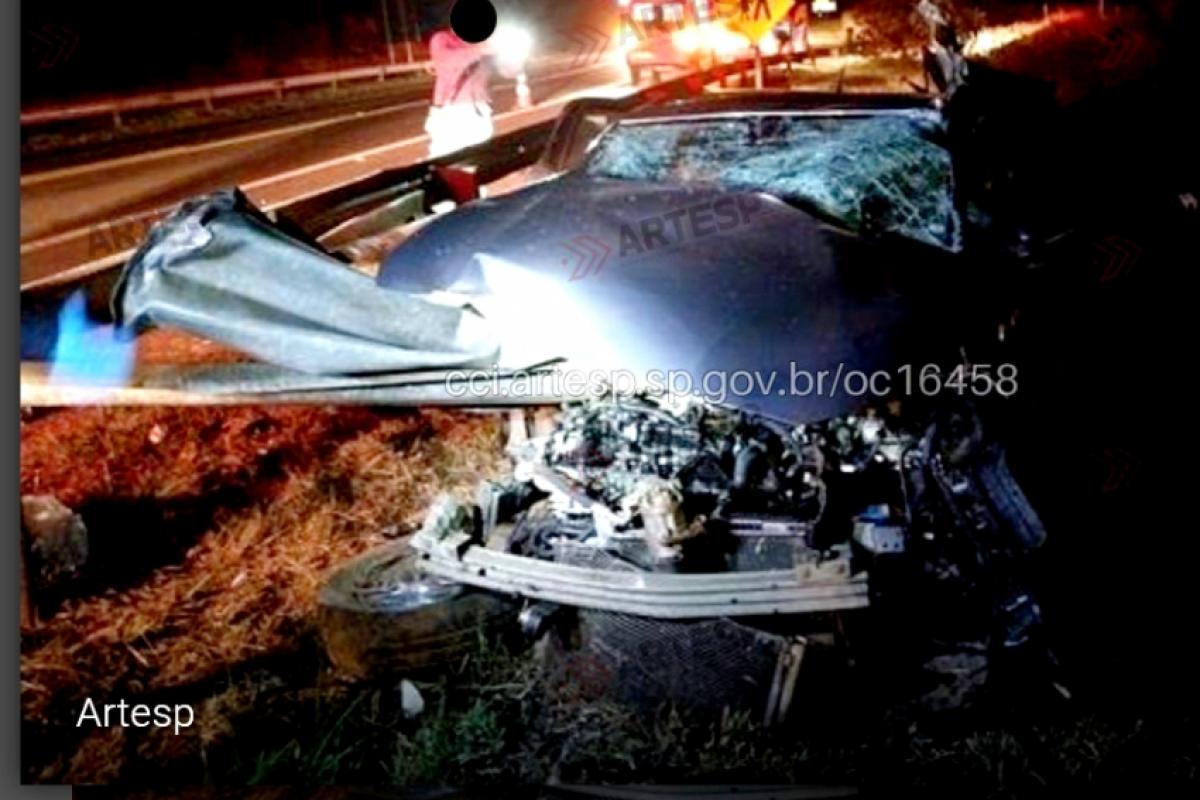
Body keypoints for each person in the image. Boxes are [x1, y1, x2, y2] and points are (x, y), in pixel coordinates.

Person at [425, 29, 494, 158]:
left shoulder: (487, 42)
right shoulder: (443, 38)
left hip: (481, 110)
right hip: (452, 111)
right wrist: (480, 51)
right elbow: (446, 60)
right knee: (446, 162)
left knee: (477, 161)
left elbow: (508, 71)